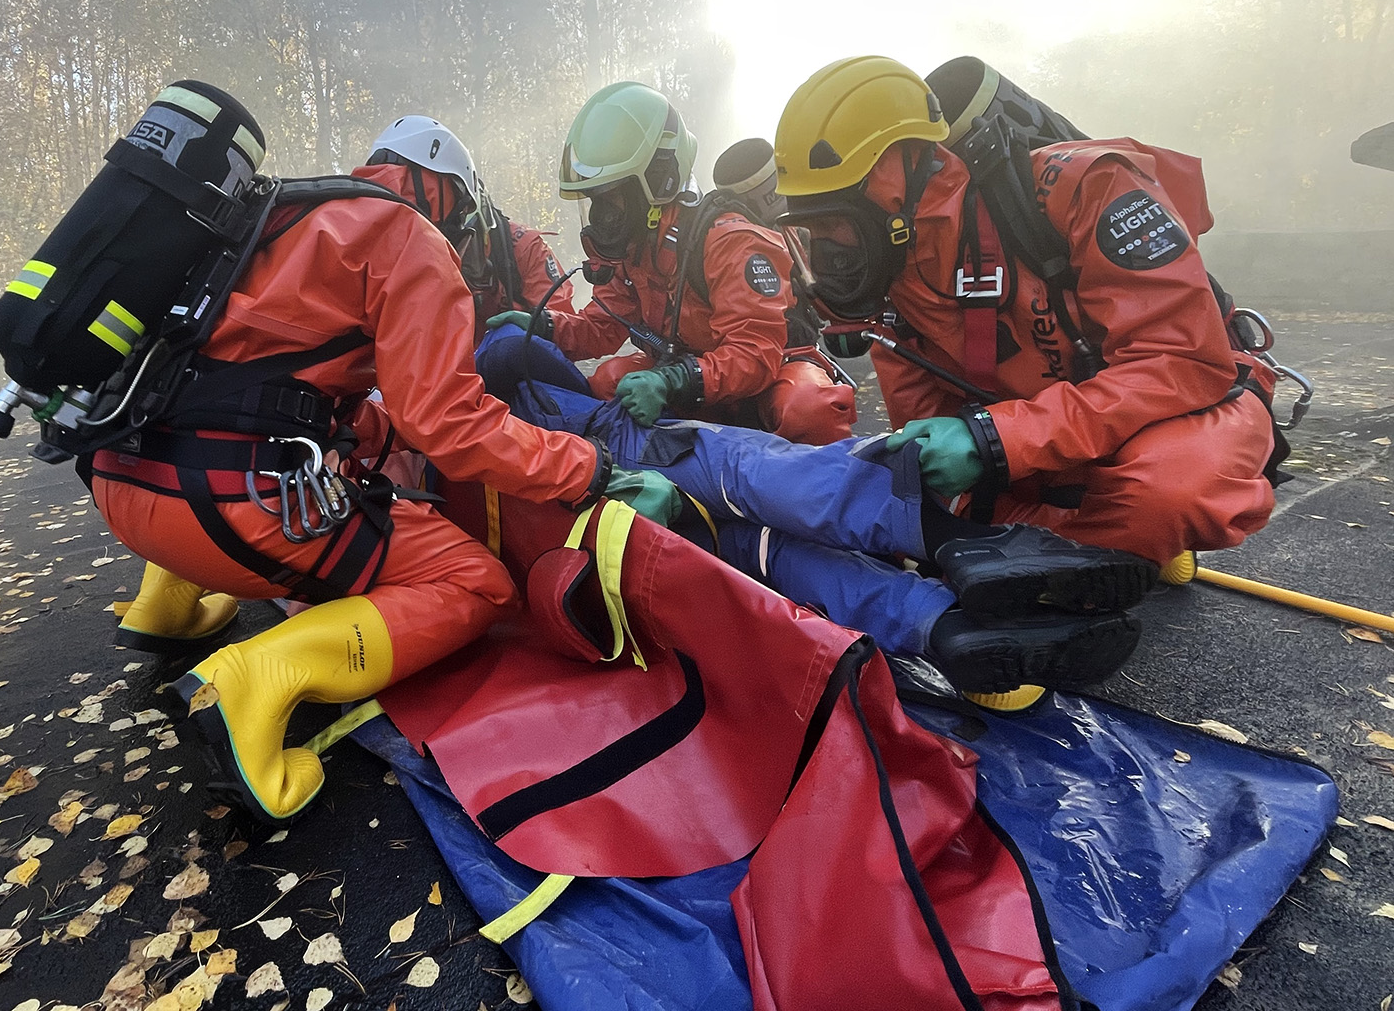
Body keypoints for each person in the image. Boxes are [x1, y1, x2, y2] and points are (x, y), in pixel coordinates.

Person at [92, 172, 680, 825]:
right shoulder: (406, 237)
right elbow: (453, 428)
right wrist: (591, 470)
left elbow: (262, 389)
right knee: (474, 582)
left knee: (216, 439)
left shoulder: (275, 217)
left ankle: (163, 606)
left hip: (119, 482)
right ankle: (258, 679)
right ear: (455, 198)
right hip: (225, 512)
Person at [773, 56, 1279, 566]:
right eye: (812, 232)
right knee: (941, 513)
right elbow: (930, 434)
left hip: (1189, 405)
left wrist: (994, 439)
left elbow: (1183, 363)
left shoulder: (1086, 187)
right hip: (1044, 437)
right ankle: (1095, 552)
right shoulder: (894, 277)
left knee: (1166, 494)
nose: (828, 250)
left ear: (896, 177)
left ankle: (1114, 547)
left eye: (832, 222)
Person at [474, 326, 1156, 701]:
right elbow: (514, 350)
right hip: (608, 471)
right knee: (764, 476)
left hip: (592, 545)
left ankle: (942, 629)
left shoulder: (401, 462)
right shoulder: (457, 389)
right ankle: (965, 544)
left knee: (769, 558)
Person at [488, 82, 856, 445]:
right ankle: (663, 488)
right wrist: (545, 326)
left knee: (808, 409)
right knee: (608, 381)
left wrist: (673, 381)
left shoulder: (728, 240)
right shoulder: (633, 253)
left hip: (773, 373)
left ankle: (831, 491)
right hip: (695, 378)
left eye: (611, 198)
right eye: (594, 201)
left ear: (655, 182)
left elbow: (754, 355)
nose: (601, 216)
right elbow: (603, 326)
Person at [353, 115, 582, 341]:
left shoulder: (522, 247)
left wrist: (536, 325)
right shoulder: (386, 257)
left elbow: (562, 322)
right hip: (441, 367)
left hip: (512, 366)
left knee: (507, 343)